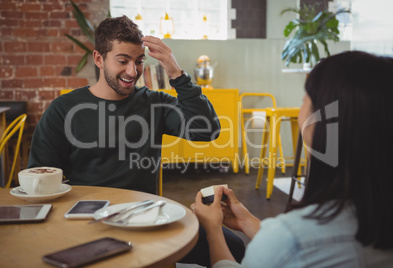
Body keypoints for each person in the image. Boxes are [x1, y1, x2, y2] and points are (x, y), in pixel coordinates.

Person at [28, 16, 244, 266]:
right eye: (123, 61)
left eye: (139, 61)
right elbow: (39, 178)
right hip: (88, 221)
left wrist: (176, 72)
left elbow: (207, 131)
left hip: (146, 219)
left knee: (235, 247)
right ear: (99, 59)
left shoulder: (155, 103)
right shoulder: (64, 109)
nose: (133, 72)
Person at [193, 51, 393, 267]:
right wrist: (247, 221)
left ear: (324, 125)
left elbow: (288, 248)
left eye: (304, 101)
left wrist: (213, 230)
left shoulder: (290, 238)